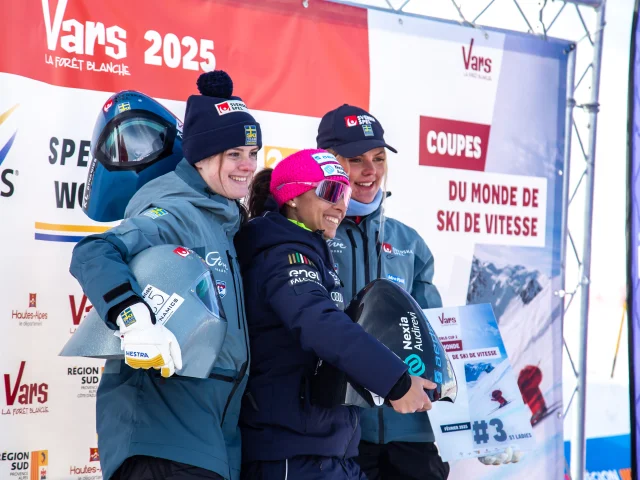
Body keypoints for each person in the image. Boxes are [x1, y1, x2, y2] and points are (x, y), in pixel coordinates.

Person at [69, 70, 261, 480]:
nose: (247, 165)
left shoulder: (223, 221)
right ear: (203, 156)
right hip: (161, 442)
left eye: (252, 152)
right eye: (234, 154)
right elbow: (95, 251)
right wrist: (132, 317)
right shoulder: (175, 211)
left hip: (208, 439)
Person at [235, 149, 437, 479]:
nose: (340, 204)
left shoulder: (308, 250)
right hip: (292, 450)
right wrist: (396, 382)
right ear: (293, 198)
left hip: (325, 447)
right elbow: (320, 325)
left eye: (344, 193)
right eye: (330, 191)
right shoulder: (283, 255)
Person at [317, 105, 449, 480]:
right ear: (329, 163)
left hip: (410, 429)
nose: (370, 170)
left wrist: (481, 417)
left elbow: (436, 337)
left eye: (377, 158)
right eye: (355, 160)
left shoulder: (408, 241)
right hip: (340, 429)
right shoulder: (309, 235)